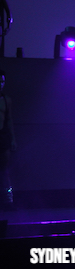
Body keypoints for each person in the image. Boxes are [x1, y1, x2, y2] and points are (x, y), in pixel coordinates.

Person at [0, 70, 16, 210]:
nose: (1, 84)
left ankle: (8, 200)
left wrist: (12, 139)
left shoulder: (6, 100)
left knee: (5, 169)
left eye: (2, 81)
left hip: (3, 136)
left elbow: (9, 120)